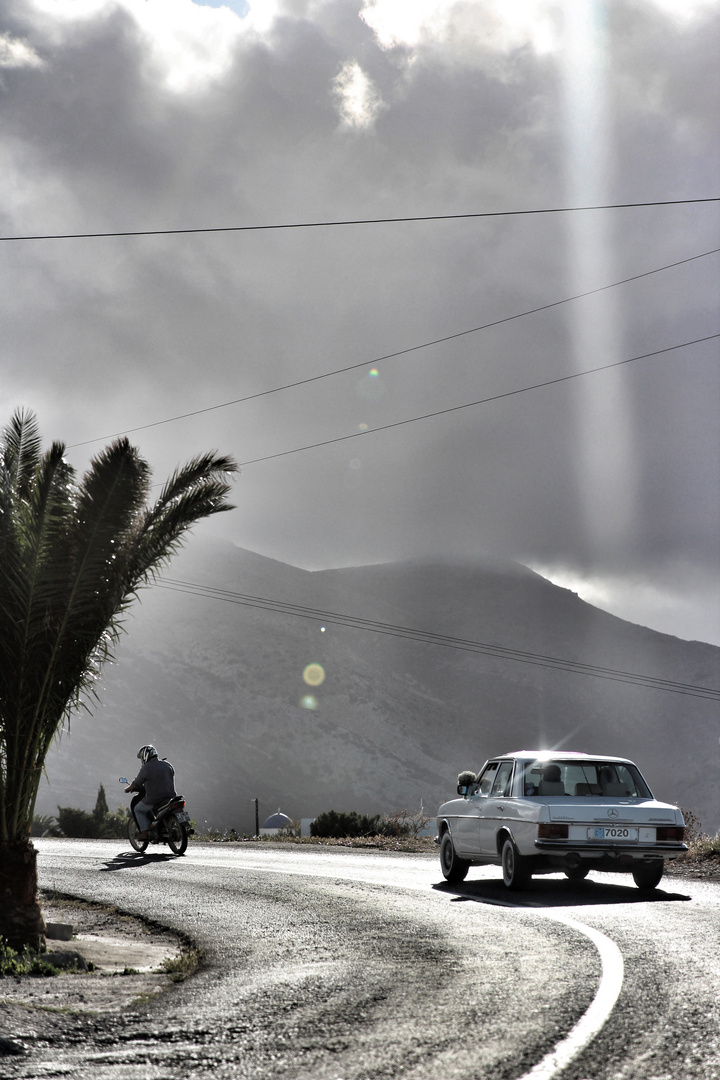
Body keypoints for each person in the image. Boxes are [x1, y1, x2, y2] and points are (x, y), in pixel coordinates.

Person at [125, 744, 177, 839]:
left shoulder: (146, 768)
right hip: (171, 797)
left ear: (145, 756)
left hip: (154, 799)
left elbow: (137, 782)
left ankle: (144, 833)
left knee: (138, 809)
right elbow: (172, 774)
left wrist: (128, 788)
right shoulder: (167, 764)